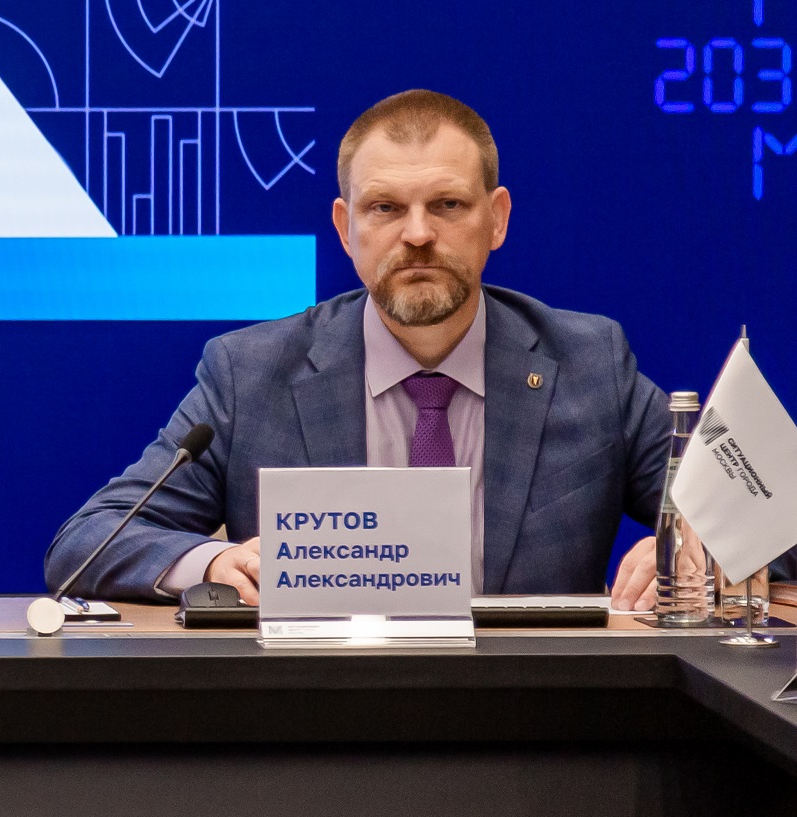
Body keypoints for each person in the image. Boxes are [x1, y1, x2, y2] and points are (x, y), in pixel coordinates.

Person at [46, 89, 677, 604]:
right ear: (346, 228)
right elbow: (87, 542)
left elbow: (740, 507)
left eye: (448, 204)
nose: (419, 234)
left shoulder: (589, 363)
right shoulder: (251, 373)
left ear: (497, 219)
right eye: (385, 208)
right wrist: (213, 563)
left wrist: (697, 546)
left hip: (538, 710)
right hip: (324, 707)